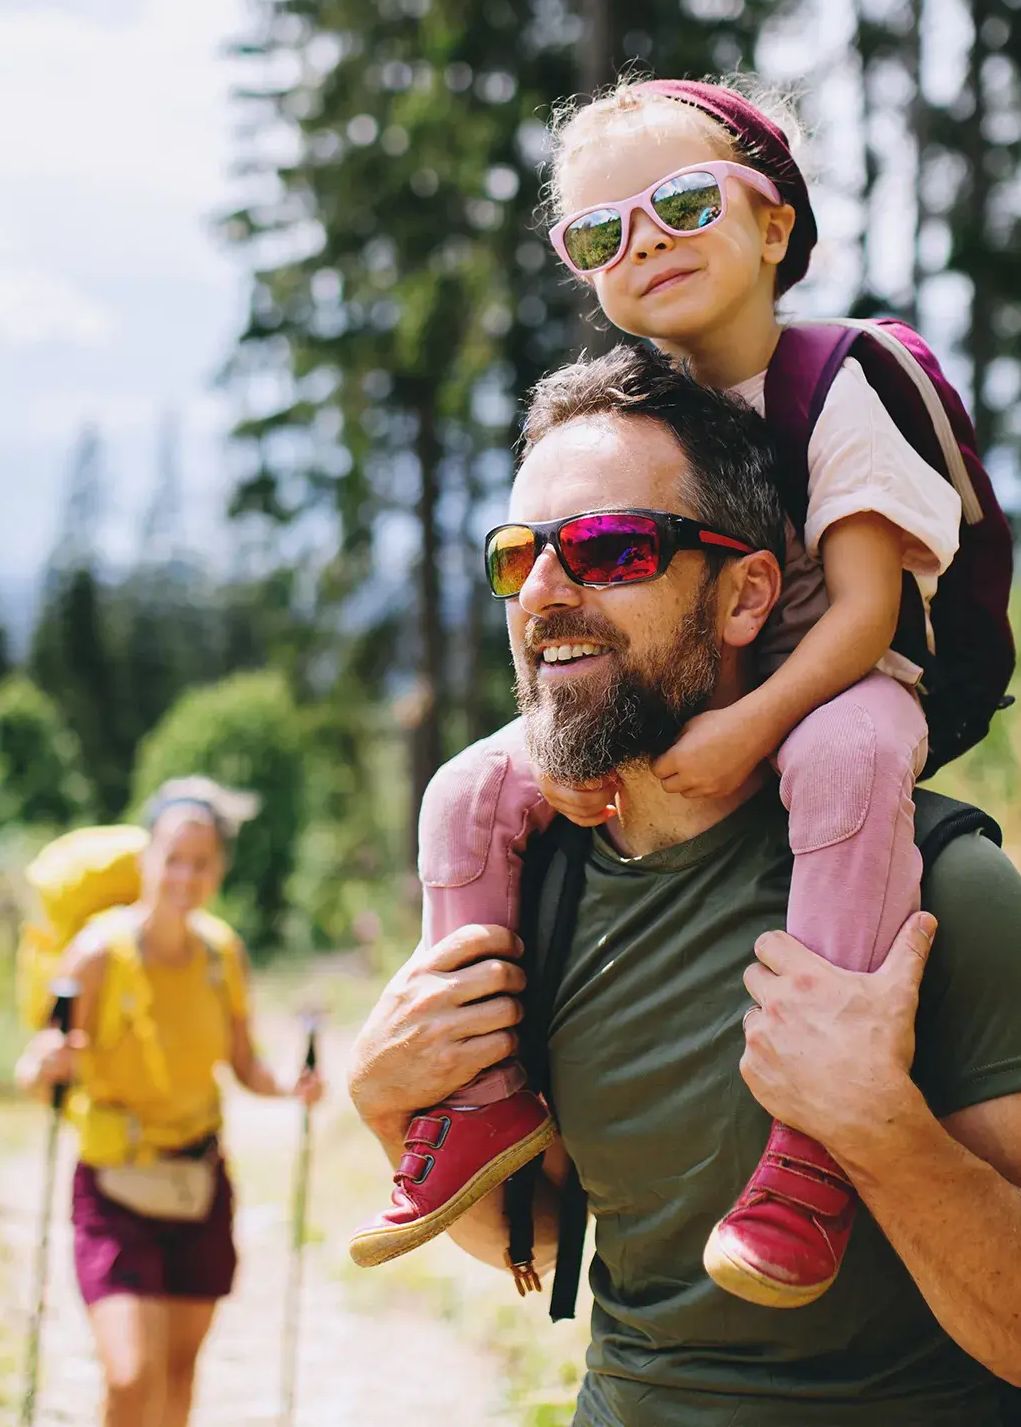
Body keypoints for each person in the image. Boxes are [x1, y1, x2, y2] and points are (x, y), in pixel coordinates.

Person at [349, 346, 1021, 1424]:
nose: (545, 591)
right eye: (519, 557)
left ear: (746, 598)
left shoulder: (939, 895)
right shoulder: (537, 887)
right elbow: (547, 1242)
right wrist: (387, 1106)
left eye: (612, 548)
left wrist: (877, 1128)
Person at [351, 74, 975, 1314]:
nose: (645, 244)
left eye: (683, 204)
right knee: (469, 787)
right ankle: (479, 1098)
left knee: (842, 759)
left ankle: (814, 1129)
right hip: (714, 687)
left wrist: (748, 725)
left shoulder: (838, 382)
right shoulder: (658, 407)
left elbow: (862, 611)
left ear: (774, 225)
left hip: (847, 681)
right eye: (601, 233)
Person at [15, 778, 323, 1427]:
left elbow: (244, 1065)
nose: (185, 875)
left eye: (202, 862)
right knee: (132, 1380)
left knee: (179, 1377)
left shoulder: (221, 954)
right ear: (146, 860)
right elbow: (43, 1062)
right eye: (172, 858)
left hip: (199, 1186)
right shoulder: (99, 951)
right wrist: (43, 1066)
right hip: (114, 1189)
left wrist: (289, 1087)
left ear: (219, 869)